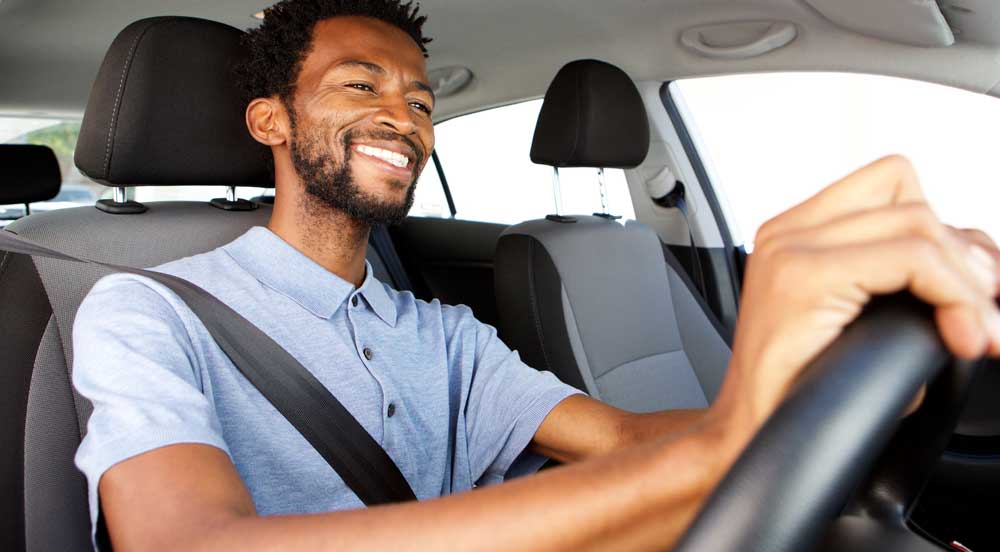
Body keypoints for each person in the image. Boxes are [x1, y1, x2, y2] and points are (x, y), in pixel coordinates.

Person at [71, 0, 1000, 550]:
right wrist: (715, 456)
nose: (406, 119)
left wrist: (804, 403)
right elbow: (188, 545)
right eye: (361, 86)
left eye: (421, 100)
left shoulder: (439, 332)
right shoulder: (146, 313)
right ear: (271, 122)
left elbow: (629, 438)